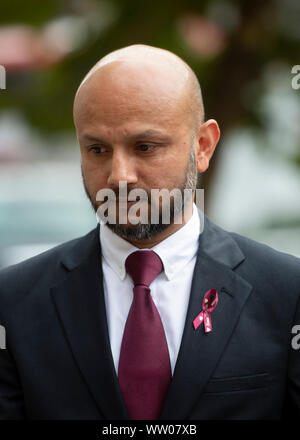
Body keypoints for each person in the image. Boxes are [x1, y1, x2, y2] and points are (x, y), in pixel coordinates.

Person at [0, 44, 299, 420]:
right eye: (97, 149)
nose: (119, 176)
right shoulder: (13, 304)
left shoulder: (287, 295)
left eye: (145, 147)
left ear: (203, 146)